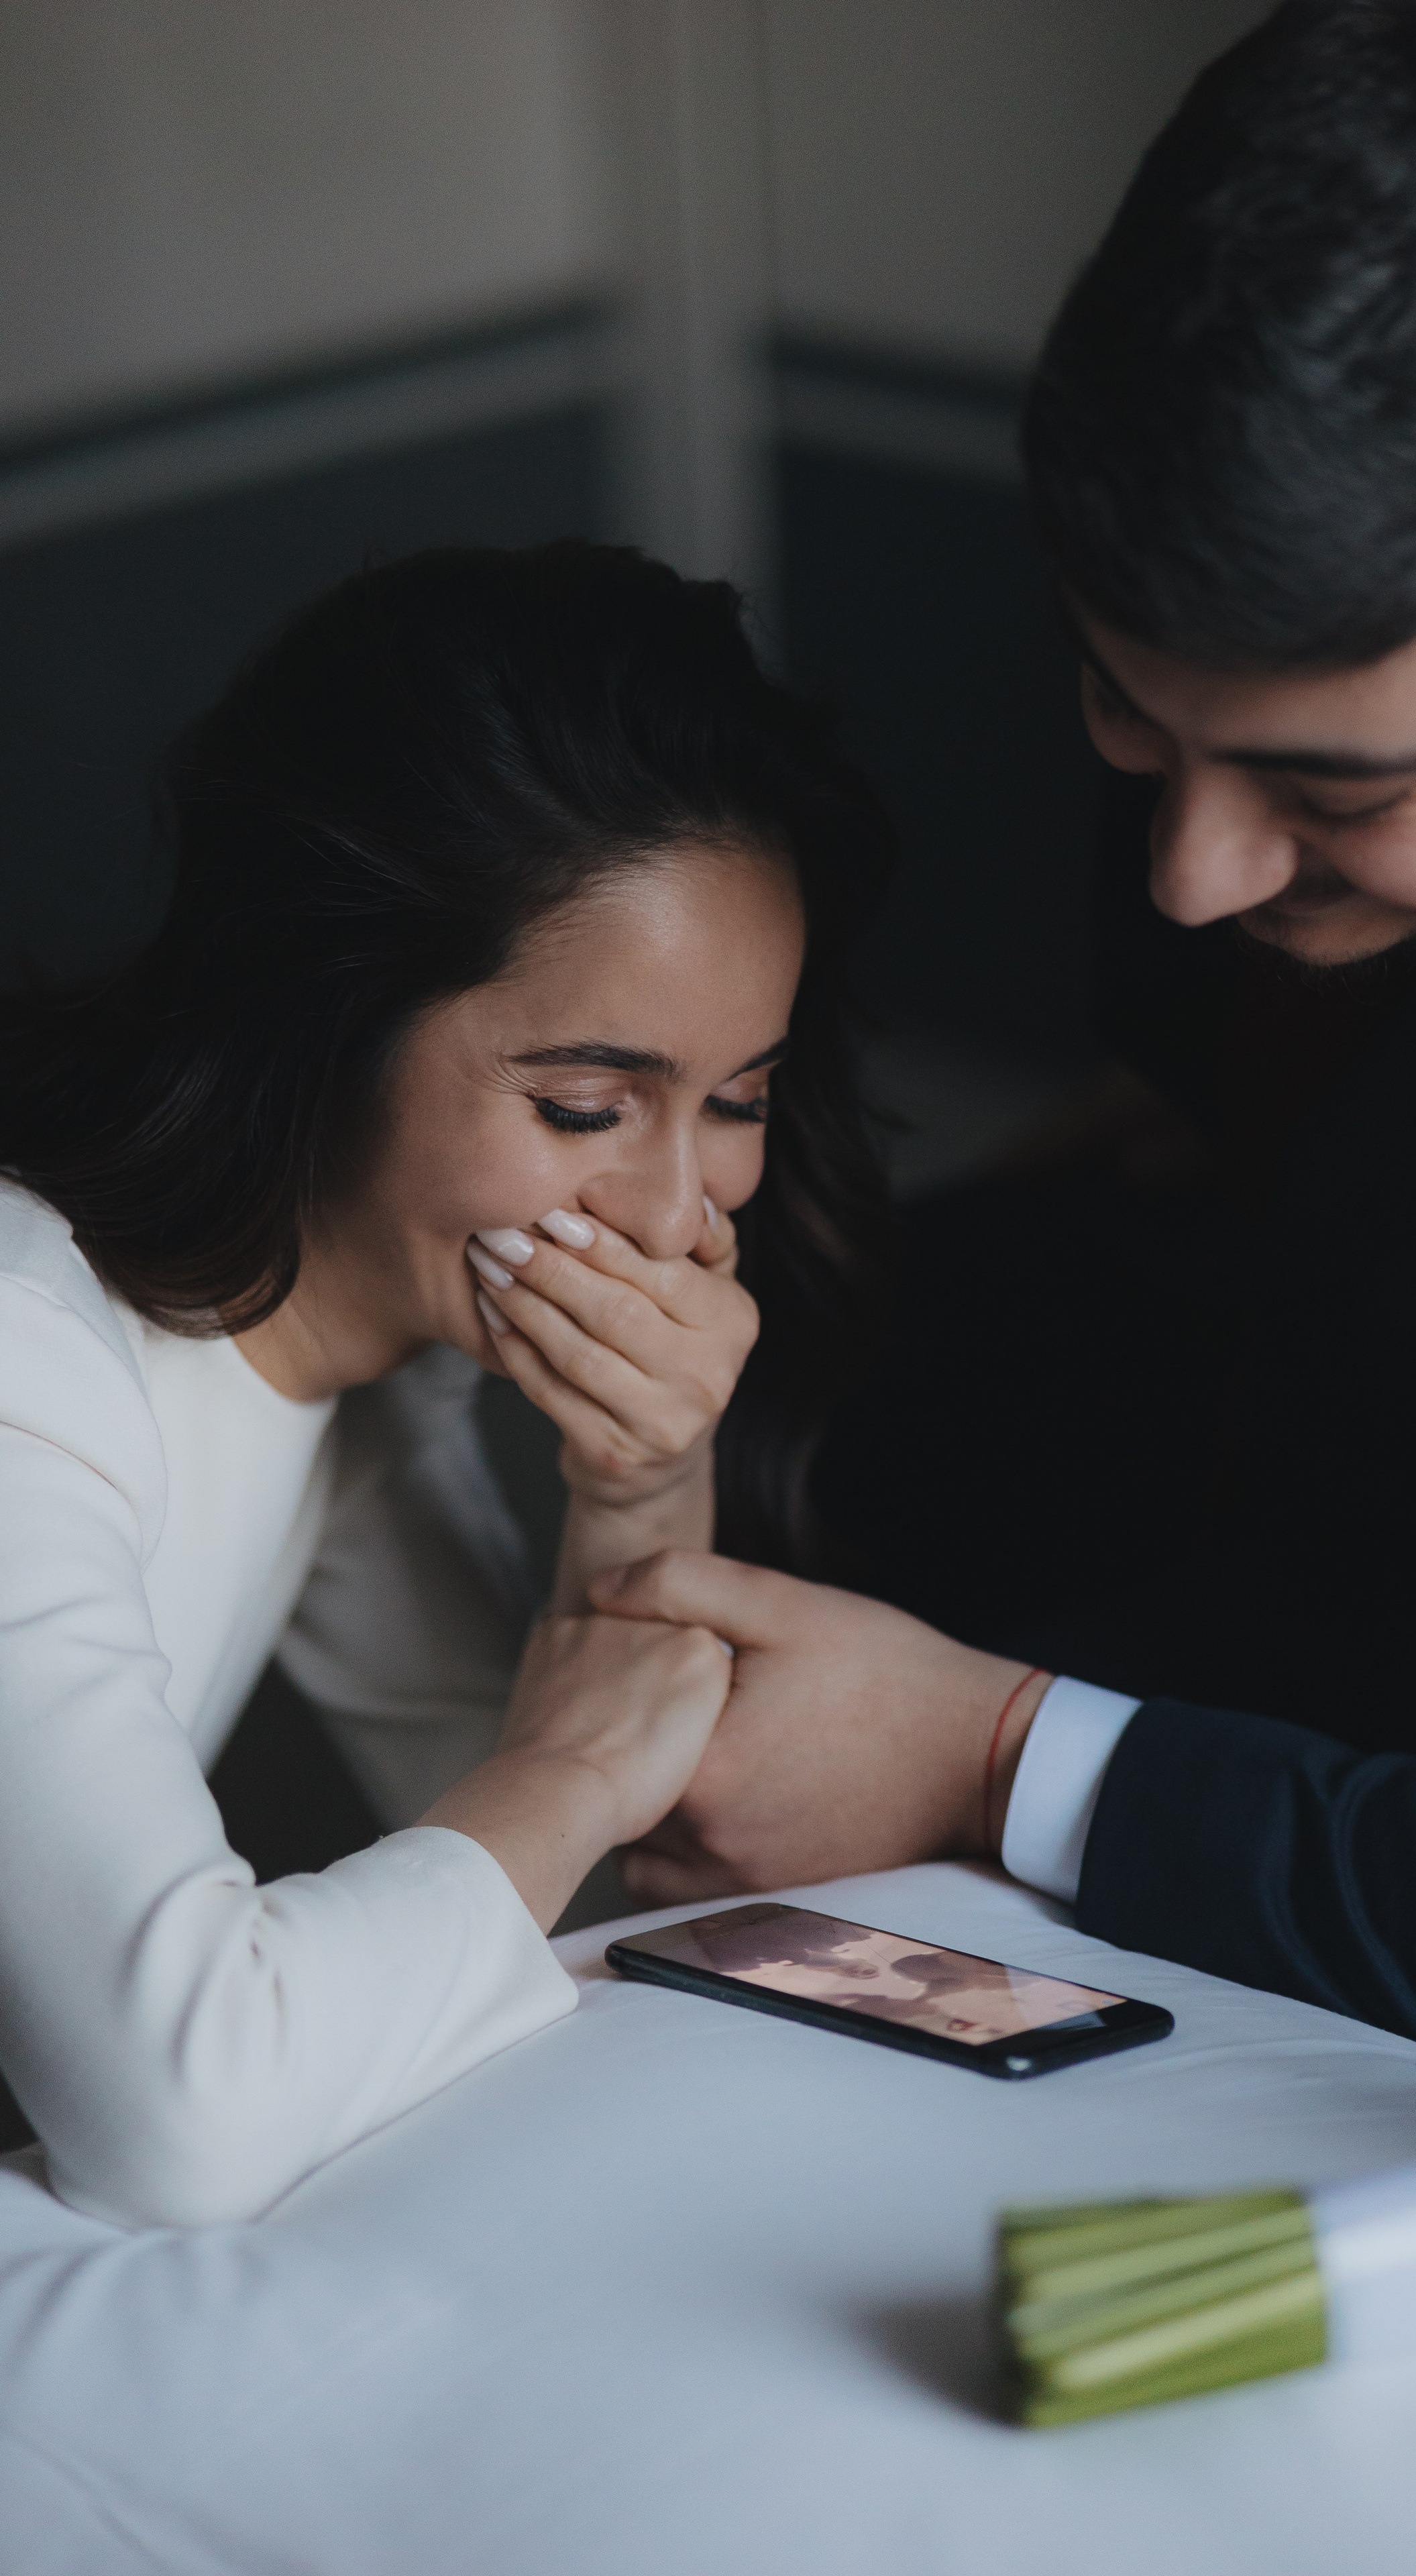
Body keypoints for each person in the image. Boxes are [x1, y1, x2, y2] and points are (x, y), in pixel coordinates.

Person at [591, 0, 1416, 2121]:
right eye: (1126, 710)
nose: (1194, 874)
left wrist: (991, 1754)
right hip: (1329, 1396)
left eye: (1337, 792)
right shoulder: (1244, 585)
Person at [0, 537, 891, 2226]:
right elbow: (186, 2110)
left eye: (740, 1100)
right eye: (583, 1105)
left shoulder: (358, 1358)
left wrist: (638, 1482)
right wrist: (561, 1775)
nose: (672, 1213)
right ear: (320, 1013)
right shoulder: (26, 1348)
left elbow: (569, 1918)